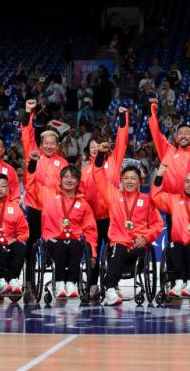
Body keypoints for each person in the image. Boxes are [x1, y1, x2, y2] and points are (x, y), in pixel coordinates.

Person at [93, 144, 163, 306]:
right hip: (119, 244)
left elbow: (158, 224)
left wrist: (146, 238)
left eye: (133, 178)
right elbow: (98, 176)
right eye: (126, 178)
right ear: (121, 180)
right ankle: (110, 289)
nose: (129, 181)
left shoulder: (147, 200)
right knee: (118, 248)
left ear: (140, 181)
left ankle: (110, 282)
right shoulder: (113, 195)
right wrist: (100, 155)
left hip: (139, 246)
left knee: (118, 254)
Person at [24, 152, 97, 299]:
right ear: (60, 180)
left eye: (73, 177)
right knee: (60, 245)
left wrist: (93, 254)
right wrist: (31, 164)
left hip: (73, 239)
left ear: (78, 182)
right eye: (66, 177)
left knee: (76, 245)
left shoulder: (83, 204)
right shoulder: (49, 197)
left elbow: (90, 230)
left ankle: (71, 283)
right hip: (53, 239)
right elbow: (30, 185)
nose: (69, 180)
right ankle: (59, 283)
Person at [79, 107, 129, 291]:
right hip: (92, 218)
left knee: (113, 252)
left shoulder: (113, 163)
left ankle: (110, 284)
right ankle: (92, 285)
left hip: (112, 216)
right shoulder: (83, 171)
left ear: (103, 147)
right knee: (92, 251)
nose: (94, 149)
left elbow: (122, 141)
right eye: (91, 147)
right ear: (88, 150)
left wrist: (123, 116)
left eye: (97, 146)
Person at [151, 164, 190, 298]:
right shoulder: (174, 200)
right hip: (178, 243)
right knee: (173, 246)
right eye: (187, 181)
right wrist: (160, 175)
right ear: (183, 184)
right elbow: (155, 196)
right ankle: (178, 283)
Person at [21, 99, 69, 259]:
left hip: (54, 207)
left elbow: (68, 186)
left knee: (56, 241)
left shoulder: (63, 162)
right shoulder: (34, 154)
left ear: (57, 145)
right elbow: (27, 135)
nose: (49, 146)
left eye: (52, 143)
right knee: (31, 241)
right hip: (34, 205)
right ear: (40, 144)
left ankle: (58, 273)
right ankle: (28, 278)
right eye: (46, 143)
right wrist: (29, 111)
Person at [148, 99, 190, 196]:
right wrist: (152, 108)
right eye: (180, 133)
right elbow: (155, 132)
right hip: (172, 205)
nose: (183, 136)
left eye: (187, 133)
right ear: (176, 138)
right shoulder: (167, 151)